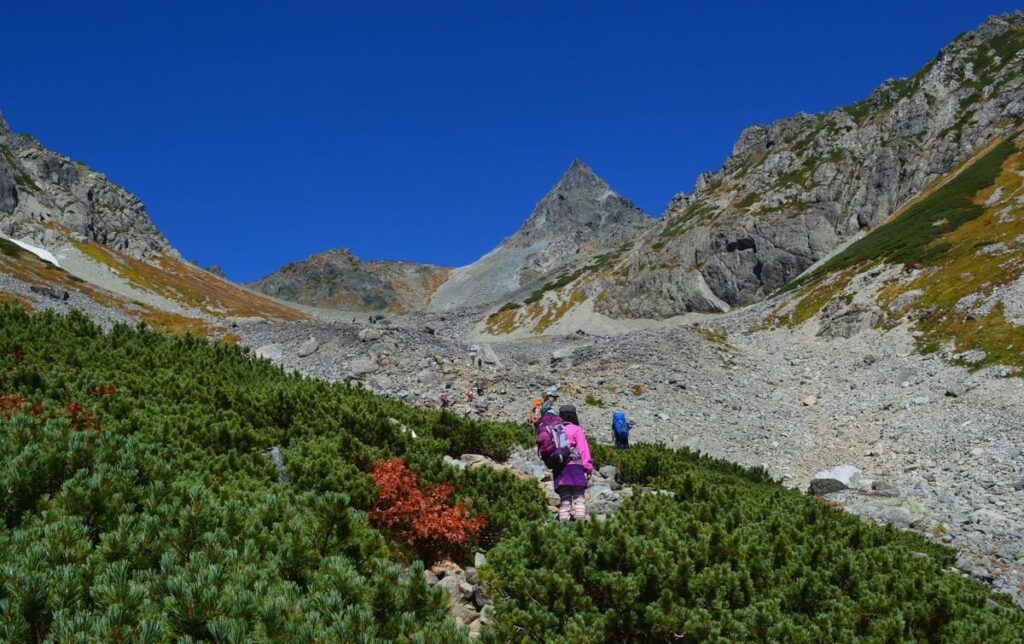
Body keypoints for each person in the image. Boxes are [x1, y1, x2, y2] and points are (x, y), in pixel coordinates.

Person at [555, 404, 593, 521]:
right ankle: (580, 524)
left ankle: (564, 525)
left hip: (559, 469)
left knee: (565, 500)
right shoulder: (577, 429)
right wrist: (588, 467)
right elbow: (583, 450)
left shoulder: (556, 430)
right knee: (578, 497)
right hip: (576, 467)